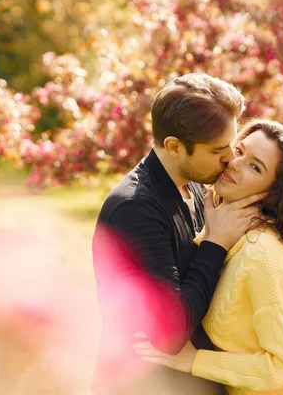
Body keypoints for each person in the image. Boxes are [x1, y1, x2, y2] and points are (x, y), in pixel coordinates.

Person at [133, 120, 283, 395]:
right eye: (239, 150)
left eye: (255, 167)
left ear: (273, 191)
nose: (235, 163)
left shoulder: (261, 255)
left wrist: (194, 361)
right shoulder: (224, 233)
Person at [91, 74, 267, 395]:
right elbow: (169, 332)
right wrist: (215, 243)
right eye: (217, 150)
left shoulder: (196, 185)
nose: (229, 158)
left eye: (230, 145)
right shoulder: (136, 209)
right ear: (174, 146)